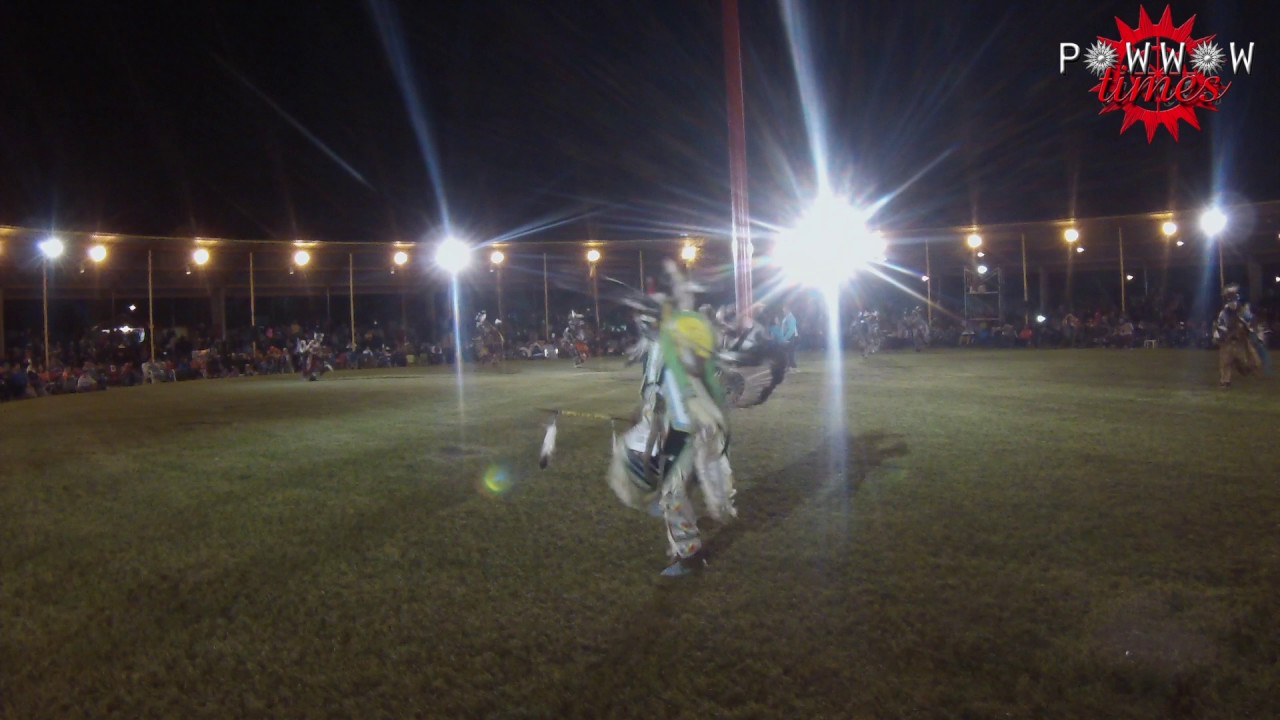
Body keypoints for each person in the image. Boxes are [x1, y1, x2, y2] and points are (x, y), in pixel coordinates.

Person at [1214, 284, 1261, 389]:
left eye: (1233, 298)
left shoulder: (1242, 310)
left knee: (1246, 364)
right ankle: (1225, 381)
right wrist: (1224, 333)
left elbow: (1251, 321)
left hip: (1241, 341)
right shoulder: (1224, 313)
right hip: (1228, 341)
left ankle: (1245, 368)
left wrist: (1246, 327)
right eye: (1230, 298)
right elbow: (1220, 325)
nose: (1232, 301)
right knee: (1225, 361)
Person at [780, 303, 798, 369]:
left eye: (784, 309)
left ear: (788, 310)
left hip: (790, 337)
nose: (783, 311)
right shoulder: (786, 317)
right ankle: (790, 366)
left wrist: (785, 338)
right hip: (787, 336)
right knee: (788, 352)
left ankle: (792, 366)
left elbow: (791, 330)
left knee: (790, 352)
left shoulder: (791, 318)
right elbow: (783, 328)